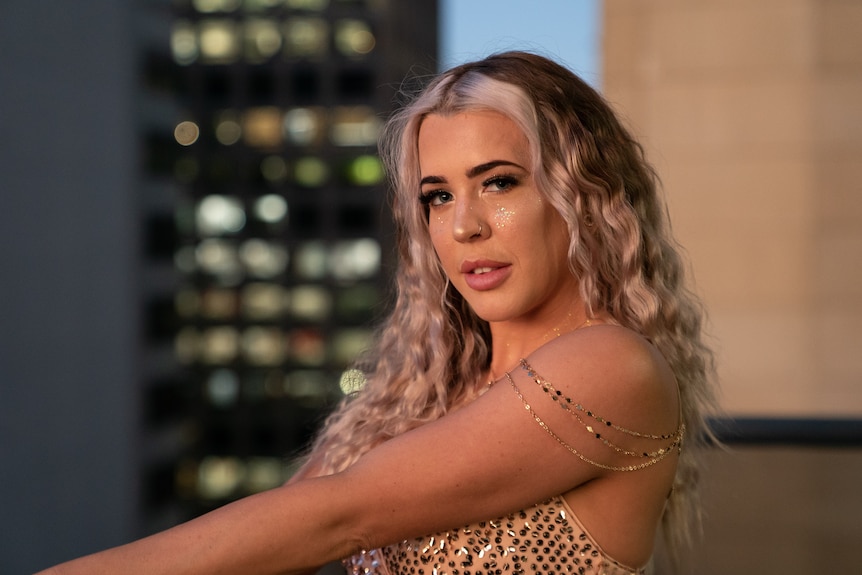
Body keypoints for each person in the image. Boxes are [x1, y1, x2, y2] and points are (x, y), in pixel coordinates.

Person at [38, 51, 716, 575]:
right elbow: (278, 537)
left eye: (499, 182)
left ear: (583, 196)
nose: (464, 226)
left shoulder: (610, 367)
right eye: (437, 197)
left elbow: (338, 514)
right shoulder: (420, 395)